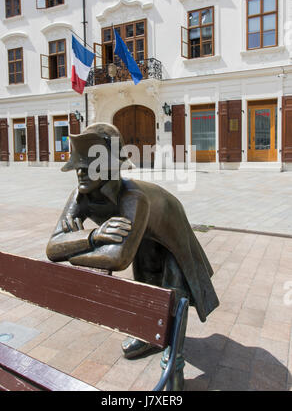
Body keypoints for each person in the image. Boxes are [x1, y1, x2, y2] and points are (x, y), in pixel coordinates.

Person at [46, 123, 219, 390]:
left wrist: (73, 249)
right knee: (146, 278)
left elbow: (117, 258)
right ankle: (150, 336)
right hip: (142, 232)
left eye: (88, 164)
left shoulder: (134, 197)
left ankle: (175, 362)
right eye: (77, 164)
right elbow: (52, 247)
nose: (79, 170)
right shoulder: (80, 195)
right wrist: (94, 238)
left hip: (168, 226)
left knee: (175, 289)